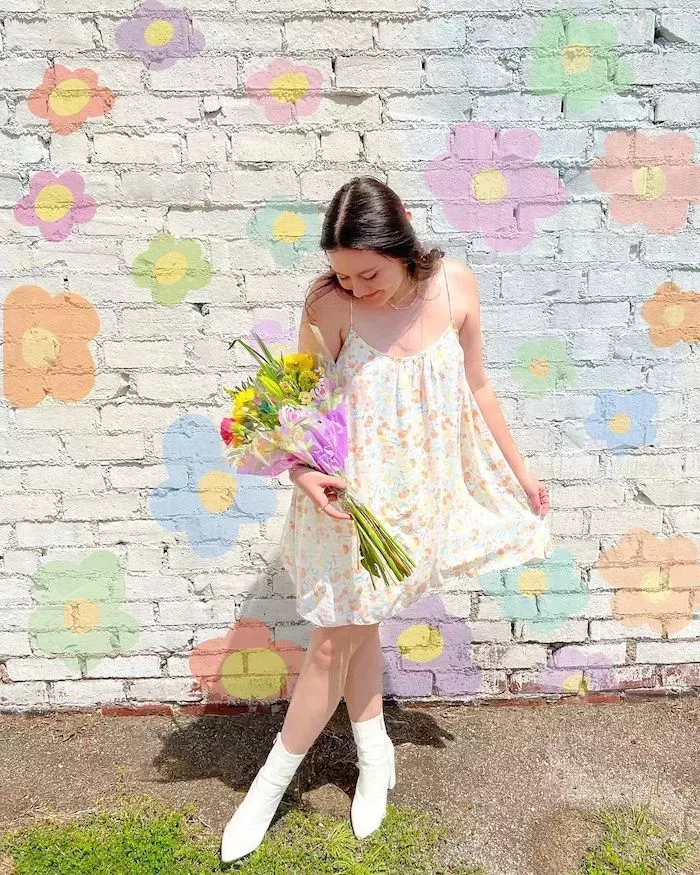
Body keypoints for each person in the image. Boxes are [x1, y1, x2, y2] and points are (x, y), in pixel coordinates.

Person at [220, 176, 553, 863]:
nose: (356, 287)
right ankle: (269, 787)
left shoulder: (457, 287)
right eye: (343, 274)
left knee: (361, 629)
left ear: (401, 235)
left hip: (408, 504)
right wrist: (303, 474)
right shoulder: (329, 304)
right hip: (342, 504)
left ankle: (375, 754)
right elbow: (298, 411)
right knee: (330, 647)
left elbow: (479, 385)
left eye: (368, 273)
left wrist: (521, 471)